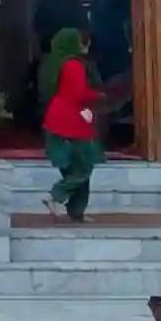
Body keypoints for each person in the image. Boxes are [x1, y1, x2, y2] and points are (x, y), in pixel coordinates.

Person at [39, 28, 102, 223]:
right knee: (85, 166)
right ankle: (55, 196)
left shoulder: (50, 64)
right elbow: (78, 94)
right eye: (81, 42)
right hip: (72, 121)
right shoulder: (73, 65)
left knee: (72, 168)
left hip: (55, 119)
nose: (85, 46)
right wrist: (100, 95)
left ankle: (76, 212)